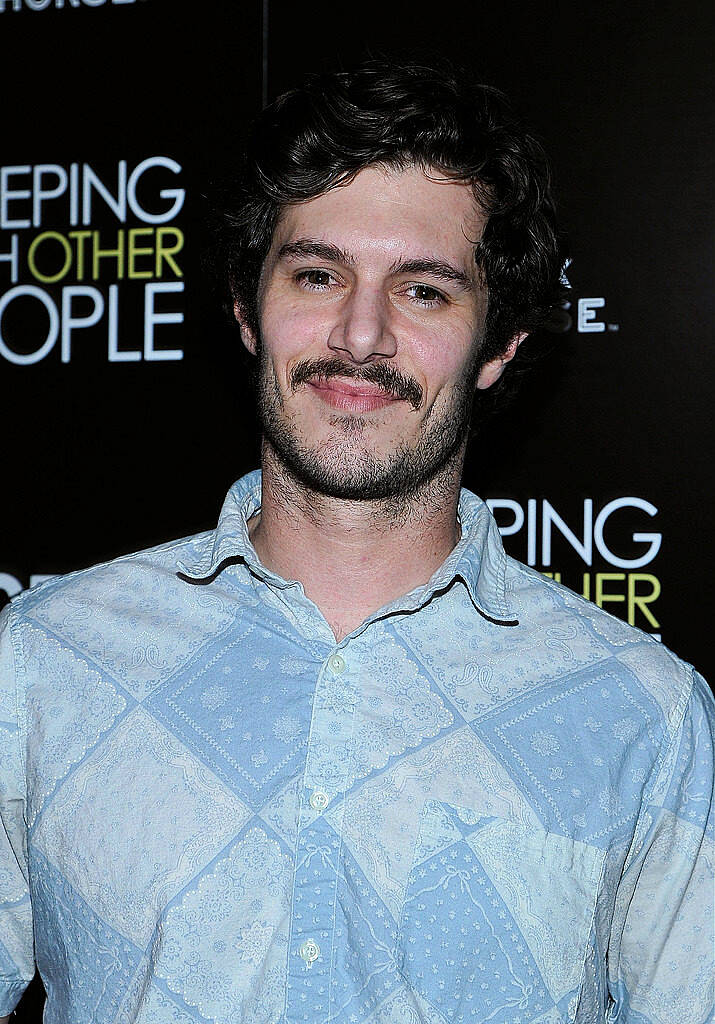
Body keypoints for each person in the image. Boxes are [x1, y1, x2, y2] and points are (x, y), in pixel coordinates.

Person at [0, 60, 713, 1024]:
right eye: (317, 274)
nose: (360, 333)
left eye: (423, 291)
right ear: (248, 312)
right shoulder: (42, 665)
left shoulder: (642, 716)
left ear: (499, 347)